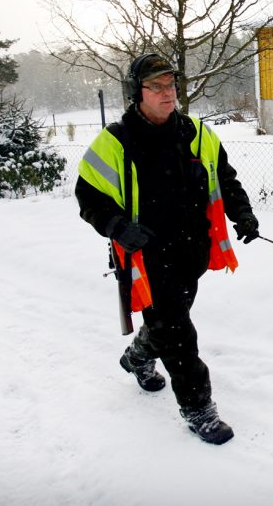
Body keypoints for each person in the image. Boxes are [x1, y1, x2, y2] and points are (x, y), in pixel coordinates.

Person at [75, 53, 259, 445]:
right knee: (179, 335)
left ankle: (138, 356)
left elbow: (225, 179)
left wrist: (242, 214)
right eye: (155, 86)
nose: (166, 93)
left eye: (170, 85)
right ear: (135, 93)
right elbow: (88, 198)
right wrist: (118, 227)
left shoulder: (196, 133)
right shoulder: (116, 142)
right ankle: (199, 410)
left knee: (169, 324)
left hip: (192, 253)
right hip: (146, 259)